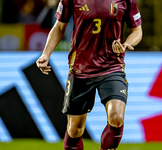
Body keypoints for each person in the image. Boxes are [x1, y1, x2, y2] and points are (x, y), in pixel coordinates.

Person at [36, 0, 142, 150]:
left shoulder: (127, 1)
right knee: (74, 129)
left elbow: (137, 31)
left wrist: (125, 45)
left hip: (112, 66)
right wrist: (45, 55)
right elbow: (59, 27)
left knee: (117, 117)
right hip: (80, 69)